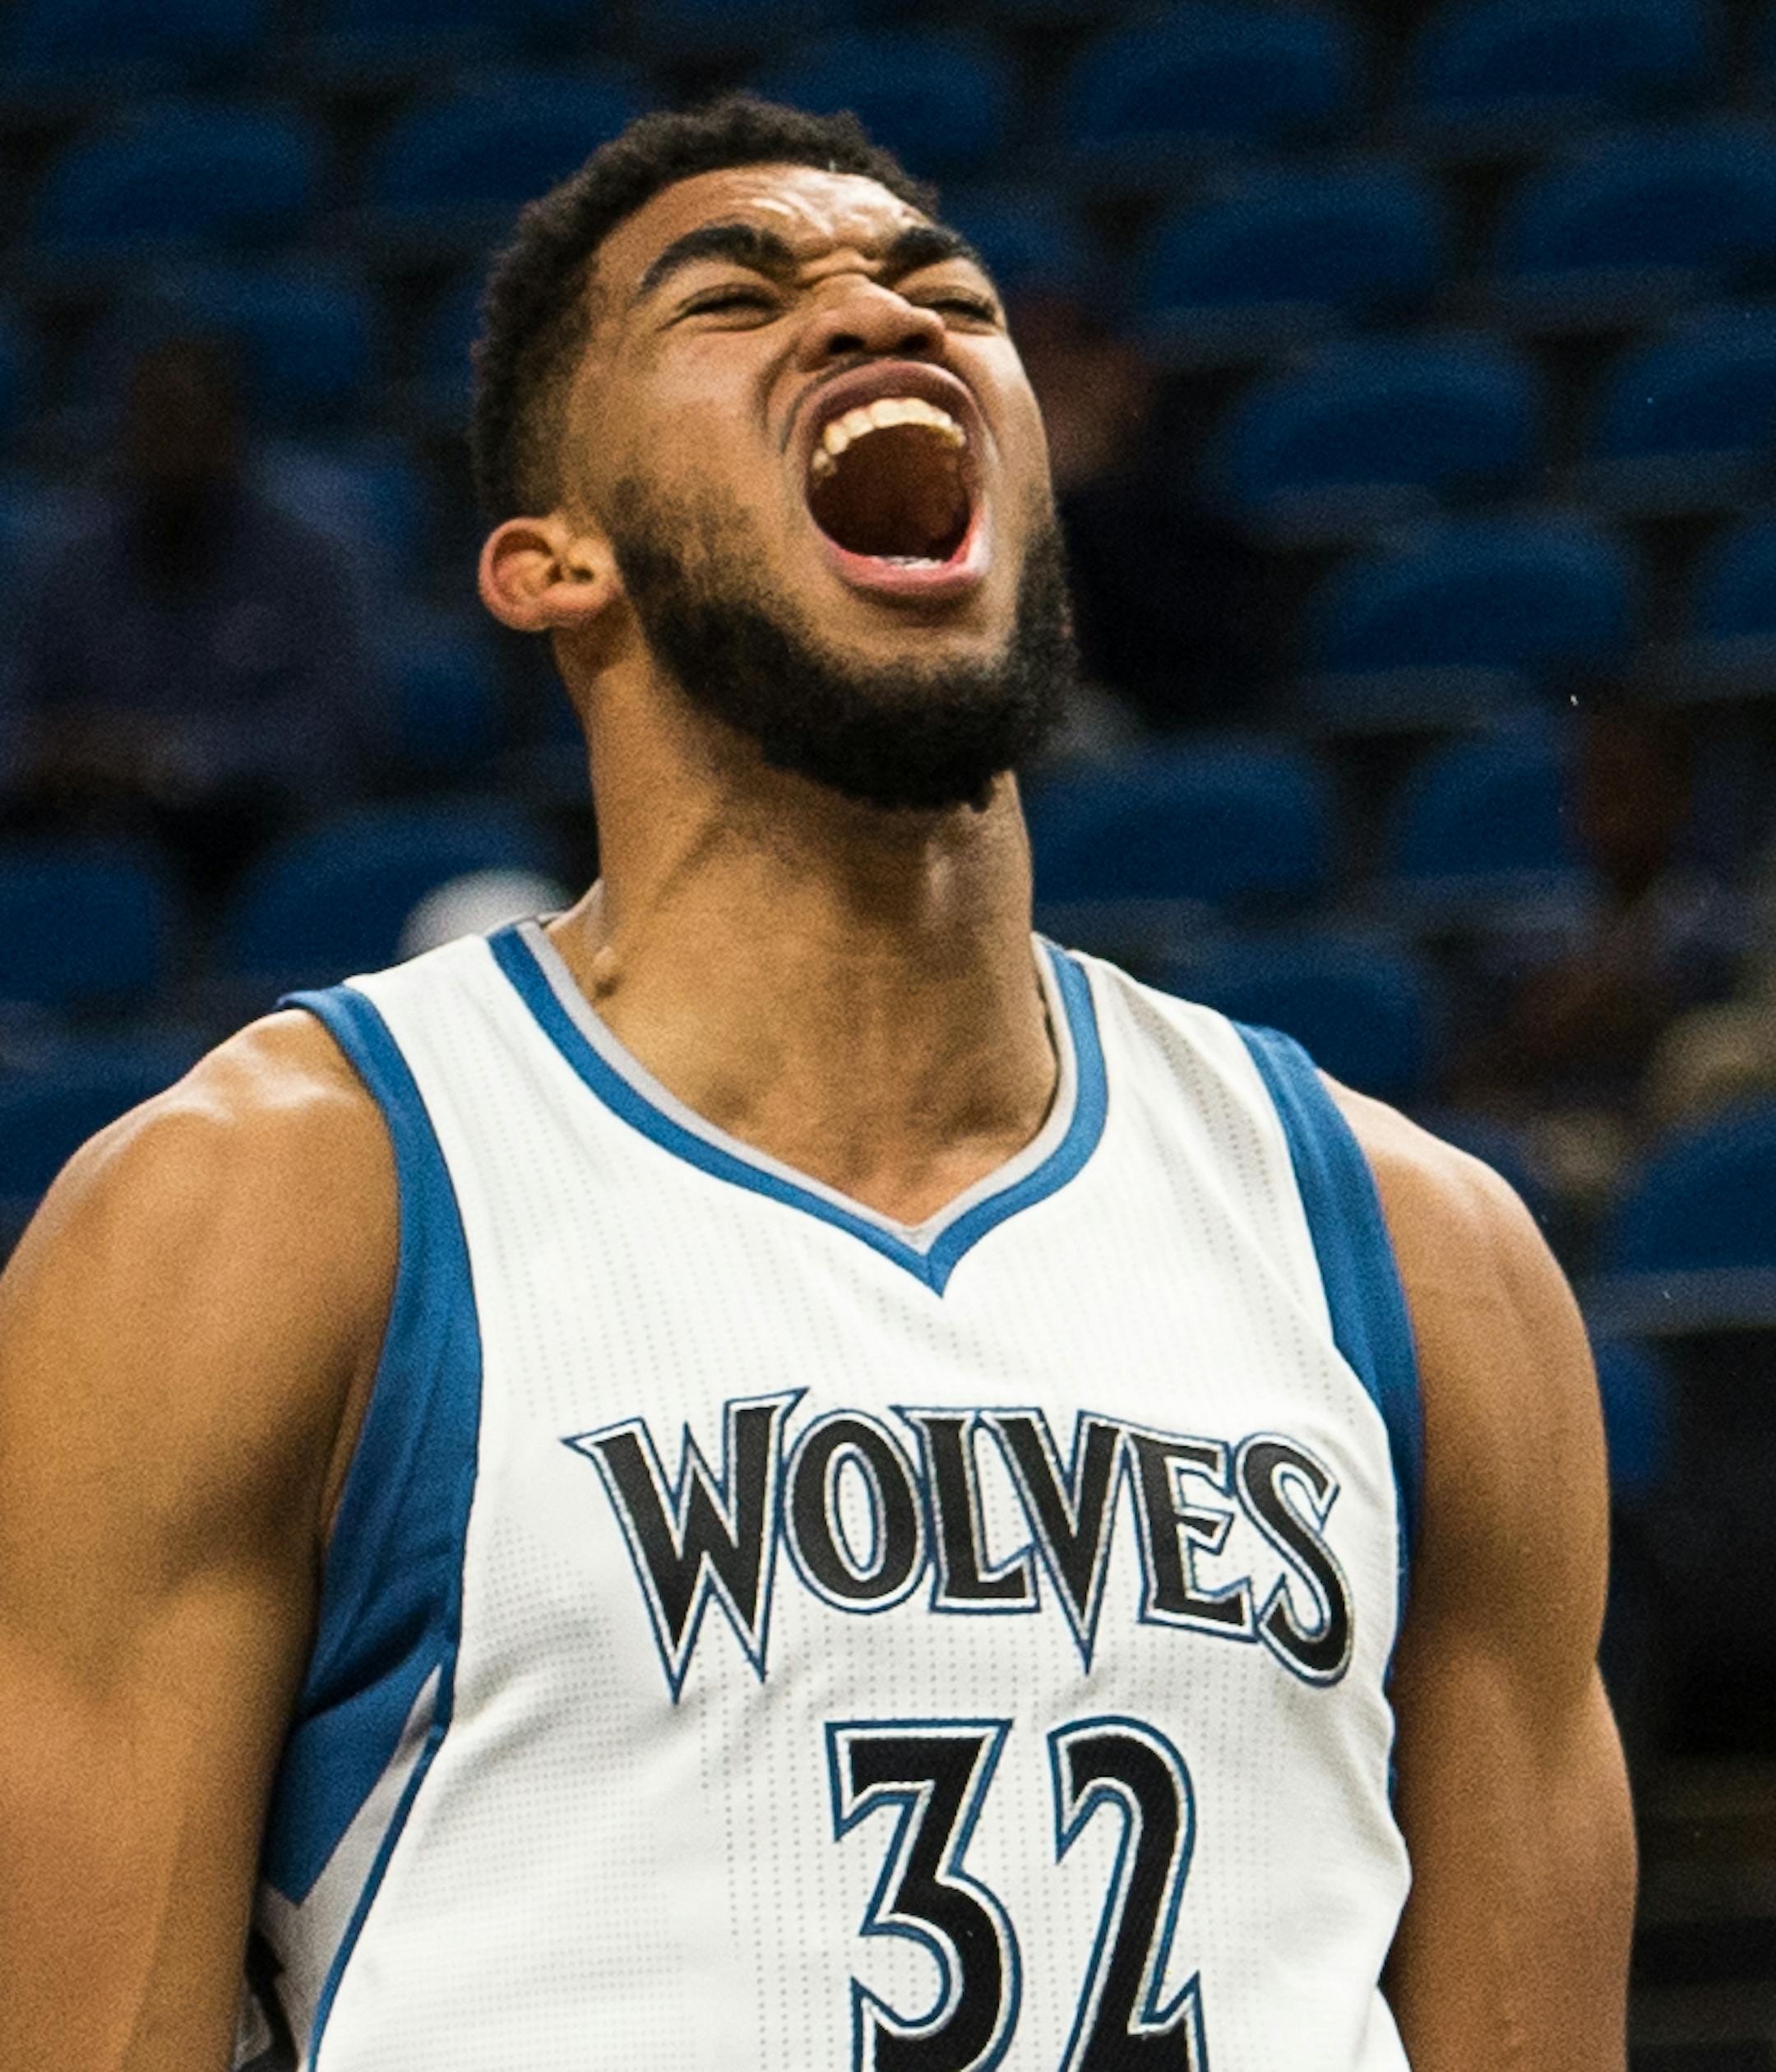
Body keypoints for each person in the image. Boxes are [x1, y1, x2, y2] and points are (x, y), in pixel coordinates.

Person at [0, 96, 1633, 2071]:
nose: (876, 312)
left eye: (942, 292)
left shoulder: (1413, 1254)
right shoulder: (263, 1216)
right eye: (737, 295)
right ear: (551, 561)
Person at [6, 336, 369, 904]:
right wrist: (59, 753)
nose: (169, 448)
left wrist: (175, 756)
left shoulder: (304, 555)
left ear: (233, 434)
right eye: (152, 423)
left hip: (258, 839)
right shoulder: (70, 563)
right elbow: (18, 720)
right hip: (93, 836)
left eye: (187, 424)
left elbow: (340, 728)